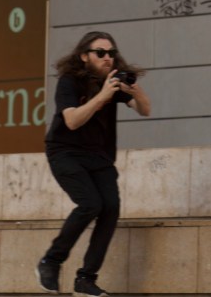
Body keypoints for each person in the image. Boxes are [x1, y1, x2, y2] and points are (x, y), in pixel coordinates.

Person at [36, 31, 151, 297]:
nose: (107, 58)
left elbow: (145, 110)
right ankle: (51, 261)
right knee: (90, 204)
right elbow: (72, 121)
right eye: (100, 53)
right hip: (65, 152)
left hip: (99, 156)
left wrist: (135, 91)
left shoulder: (112, 82)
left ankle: (86, 279)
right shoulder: (69, 82)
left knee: (110, 208)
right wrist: (102, 96)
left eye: (111, 53)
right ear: (84, 56)